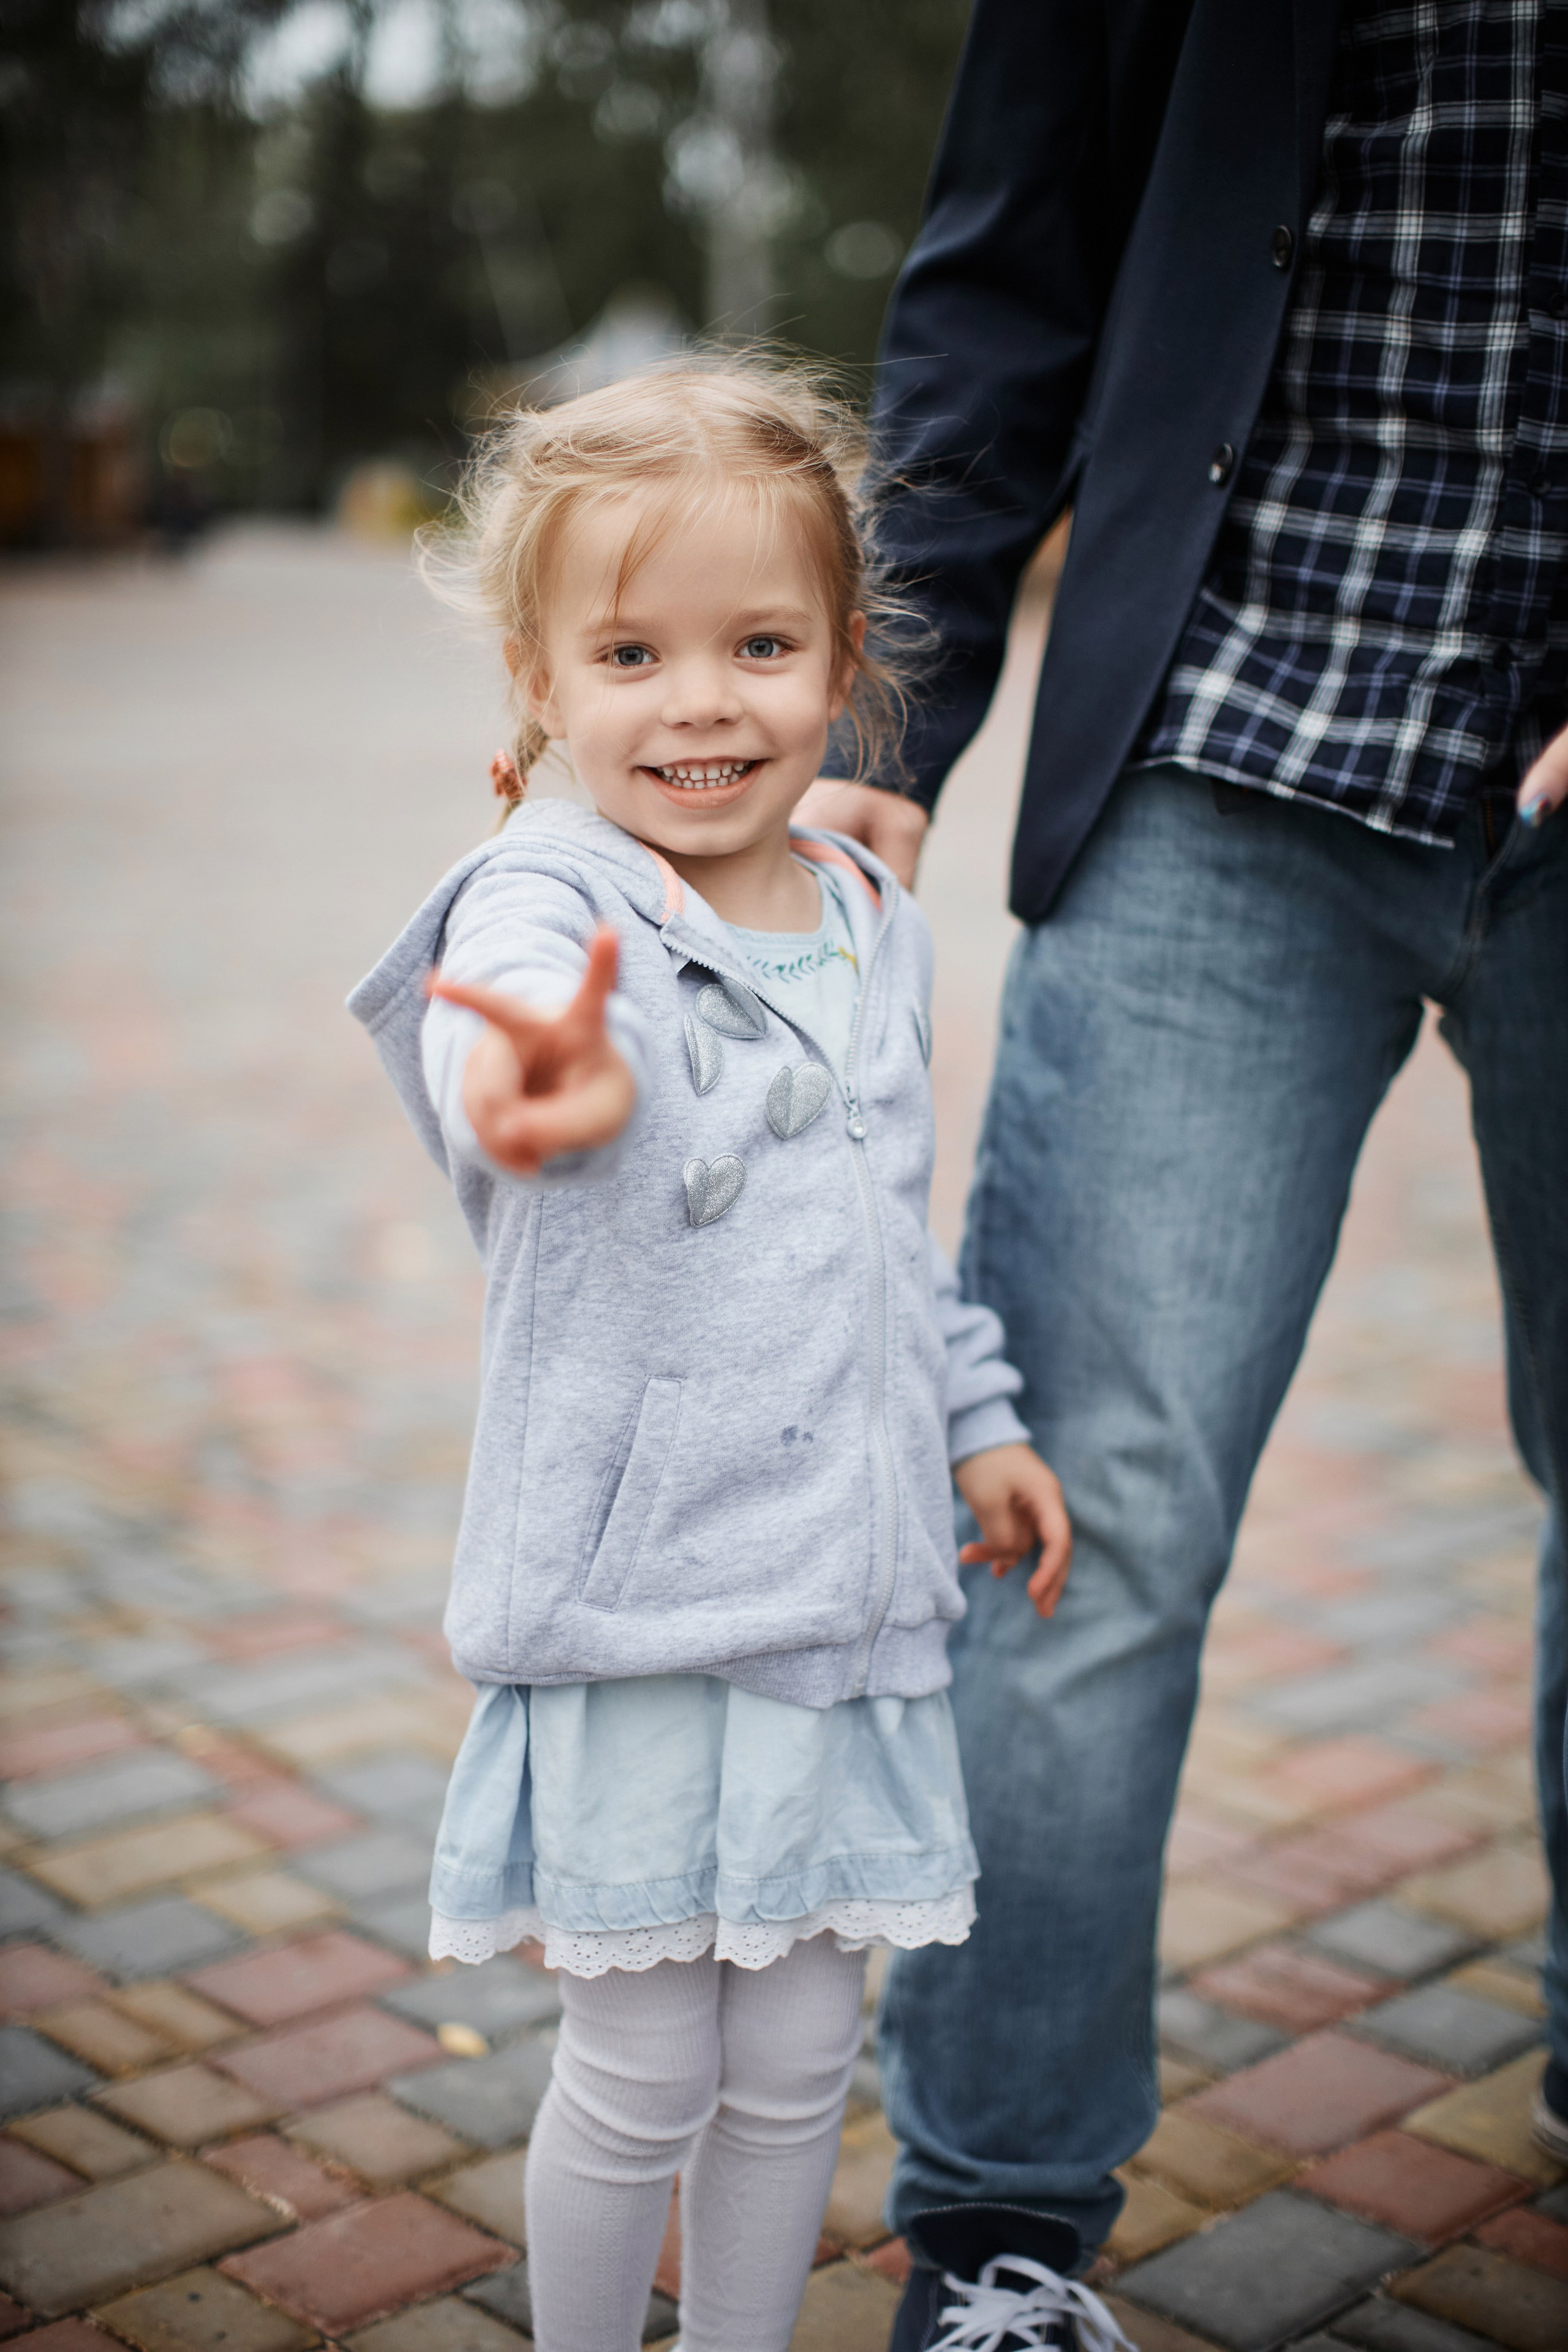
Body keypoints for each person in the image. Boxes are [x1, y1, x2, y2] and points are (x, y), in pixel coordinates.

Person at [796, 0, 1568, 2339]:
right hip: (1232, 726)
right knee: (1072, 1510)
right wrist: (885, 712)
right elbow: (1007, 259)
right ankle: (1000, 2240)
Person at [348, 360, 1122, 2352]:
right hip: (643, 1611)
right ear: (541, 682)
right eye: (632, 654)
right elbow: (511, 1028)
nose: (700, 701)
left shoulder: (872, 918)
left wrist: (975, 1418)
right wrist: (535, 1083)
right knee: (640, 2075)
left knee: (791, 2068)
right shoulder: (547, 896)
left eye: (759, 646)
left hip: (841, 1614)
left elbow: (884, 1226)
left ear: (845, 662)